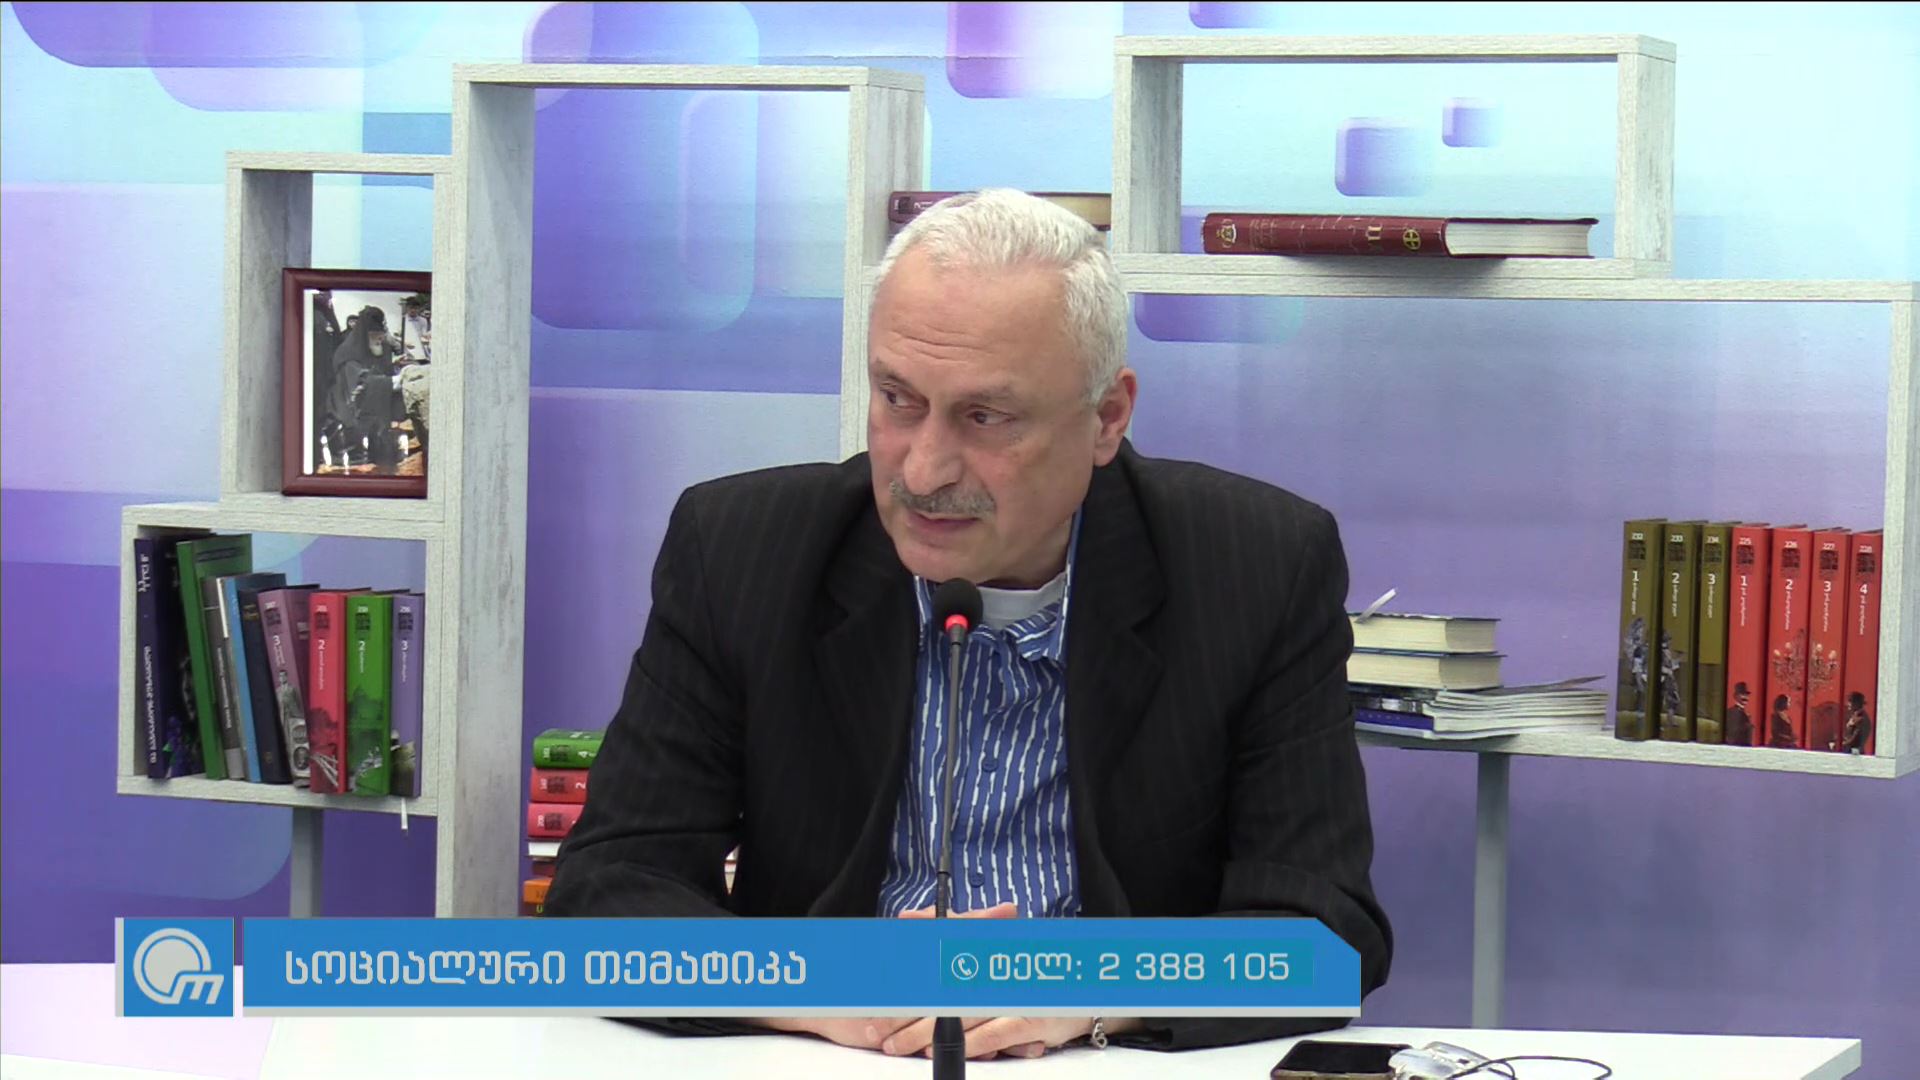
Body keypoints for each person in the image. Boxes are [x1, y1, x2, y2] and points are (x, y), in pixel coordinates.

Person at [545, 189, 1392, 1058]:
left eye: (985, 417)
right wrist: (816, 981)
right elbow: (608, 894)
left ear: (1106, 418)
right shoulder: (742, 553)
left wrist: (1086, 986)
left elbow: (1324, 937)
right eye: (898, 399)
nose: (924, 471)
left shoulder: (1254, 567)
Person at [323, 306, 402, 471]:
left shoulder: (374, 350)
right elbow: (362, 382)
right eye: (376, 335)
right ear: (366, 334)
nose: (380, 339)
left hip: (365, 421)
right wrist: (395, 381)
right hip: (345, 429)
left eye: (382, 335)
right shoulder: (348, 354)